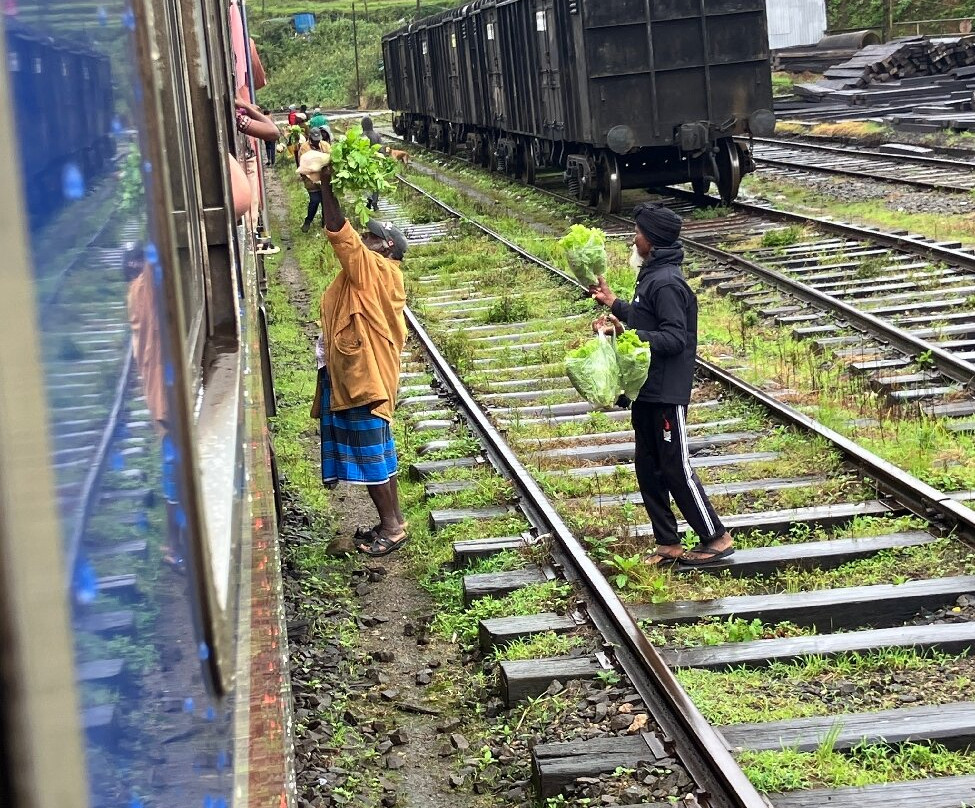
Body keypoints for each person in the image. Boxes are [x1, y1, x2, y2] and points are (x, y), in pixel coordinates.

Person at [589, 203, 734, 566]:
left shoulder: (667, 281)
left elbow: (674, 338)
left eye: (637, 233)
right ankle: (667, 544)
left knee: (675, 466)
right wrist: (616, 305)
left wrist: (625, 333)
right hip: (646, 390)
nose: (633, 239)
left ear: (650, 240)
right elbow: (647, 317)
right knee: (649, 466)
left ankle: (715, 537)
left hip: (667, 391)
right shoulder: (653, 276)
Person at [310, 163, 410, 557]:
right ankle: (395, 521)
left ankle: (392, 528)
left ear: (386, 247)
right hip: (356, 374)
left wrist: (327, 186)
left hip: (364, 379)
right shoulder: (371, 272)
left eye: (371, 236)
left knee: (373, 456)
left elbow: (340, 234)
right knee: (379, 452)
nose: (364, 238)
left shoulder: (376, 270)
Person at [298, 127, 331, 232]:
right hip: (311, 179)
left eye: (318, 140)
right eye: (314, 140)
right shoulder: (304, 148)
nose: (317, 142)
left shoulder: (325, 145)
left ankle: (324, 224)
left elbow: (330, 157)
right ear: (310, 138)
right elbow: (304, 164)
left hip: (325, 179)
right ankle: (308, 221)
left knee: (325, 201)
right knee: (315, 200)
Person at [360, 116, 386, 211]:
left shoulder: (361, 136)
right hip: (375, 163)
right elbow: (382, 149)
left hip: (365, 163)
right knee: (375, 183)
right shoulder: (377, 136)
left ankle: (368, 200)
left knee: (366, 183)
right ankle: (375, 203)